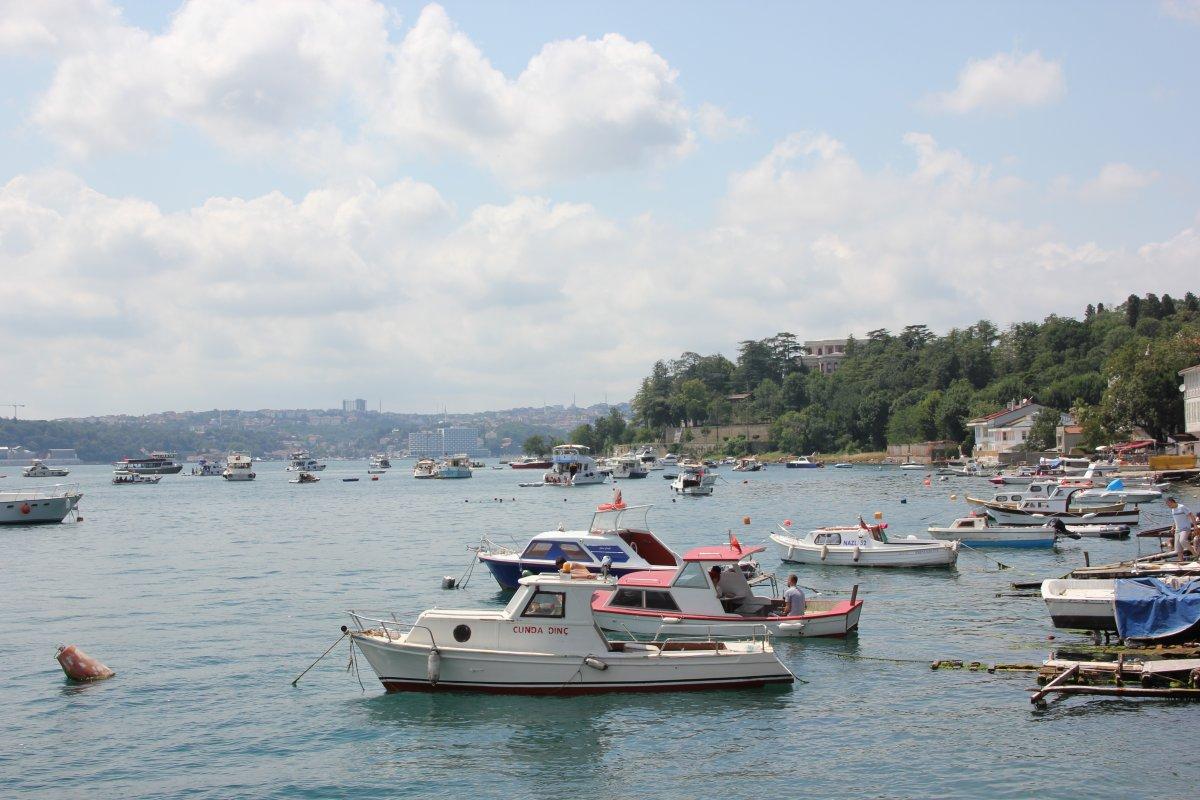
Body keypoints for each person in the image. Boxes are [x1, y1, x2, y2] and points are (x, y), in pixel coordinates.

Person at [1165, 496, 1197, 562]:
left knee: (1183, 541)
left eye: (1169, 504)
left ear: (1172, 502)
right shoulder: (1172, 509)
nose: (1168, 506)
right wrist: (1173, 527)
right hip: (1177, 529)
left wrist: (1195, 525)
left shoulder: (1182, 507)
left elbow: (1191, 515)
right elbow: (1176, 519)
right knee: (1178, 549)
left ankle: (1195, 554)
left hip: (1185, 528)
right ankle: (1181, 561)